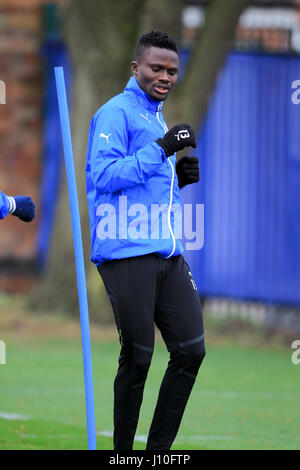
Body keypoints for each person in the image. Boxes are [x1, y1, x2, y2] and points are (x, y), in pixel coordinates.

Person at [86, 30, 205, 450]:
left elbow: (146, 184)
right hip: (125, 251)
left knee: (191, 352)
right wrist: (162, 149)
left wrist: (179, 180)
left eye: (172, 70)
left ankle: (156, 455)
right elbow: (103, 176)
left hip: (168, 253)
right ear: (136, 67)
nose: (165, 76)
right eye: (157, 68)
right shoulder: (114, 113)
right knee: (138, 358)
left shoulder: (156, 116)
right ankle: (122, 455)